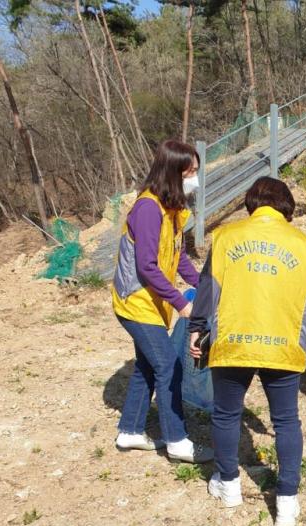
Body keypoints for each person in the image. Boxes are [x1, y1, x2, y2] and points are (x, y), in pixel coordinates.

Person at [189, 177, 306, 526]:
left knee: (225, 414)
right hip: (282, 345)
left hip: (233, 341)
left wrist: (198, 328)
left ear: (252, 203)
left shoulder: (225, 238)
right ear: (286, 207)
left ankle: (230, 486)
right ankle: (286, 502)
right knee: (285, 422)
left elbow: (207, 288)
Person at [111, 139, 213, 464]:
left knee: (147, 365)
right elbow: (147, 266)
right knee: (169, 366)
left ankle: (130, 431)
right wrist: (181, 302)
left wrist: (206, 285)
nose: (195, 179)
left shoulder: (174, 209)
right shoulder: (147, 209)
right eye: (190, 172)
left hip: (154, 303)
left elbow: (177, 256)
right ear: (173, 173)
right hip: (136, 302)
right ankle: (178, 441)